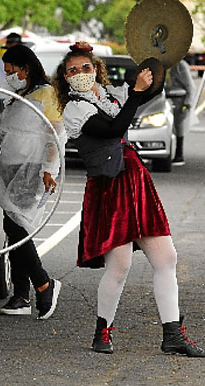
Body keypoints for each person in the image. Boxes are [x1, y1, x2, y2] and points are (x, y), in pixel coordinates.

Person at [54, 41, 204, 357]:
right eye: (72, 70)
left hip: (135, 182)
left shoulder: (111, 96)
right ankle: (102, 331)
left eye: (85, 67)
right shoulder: (74, 108)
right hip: (109, 189)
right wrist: (135, 93)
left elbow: (150, 87)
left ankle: (172, 334)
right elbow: (113, 129)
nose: (80, 73)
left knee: (167, 259)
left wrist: (160, 56)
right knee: (120, 266)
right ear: (65, 78)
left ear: (96, 68)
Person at [0, 44, 65, 319]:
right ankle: (21, 295)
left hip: (30, 171)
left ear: (26, 69)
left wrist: (49, 169)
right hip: (8, 170)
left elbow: (54, 134)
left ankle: (43, 283)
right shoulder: (17, 95)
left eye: (12, 71)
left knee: (17, 226)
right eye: (6, 71)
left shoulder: (45, 94)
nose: (9, 76)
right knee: (13, 229)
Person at [168, 59, 195, 165]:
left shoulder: (180, 65)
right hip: (166, 99)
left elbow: (190, 86)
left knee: (179, 127)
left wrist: (188, 103)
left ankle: (179, 154)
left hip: (179, 100)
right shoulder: (164, 64)